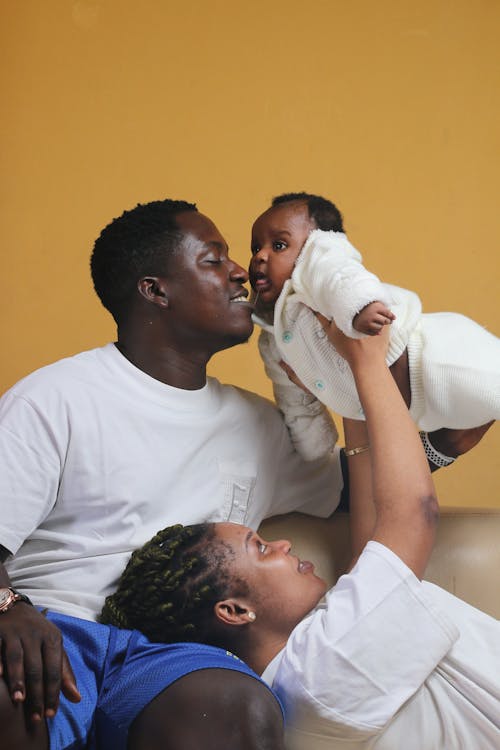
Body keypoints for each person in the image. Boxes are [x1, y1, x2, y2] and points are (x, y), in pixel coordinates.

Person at [0, 198, 488, 749]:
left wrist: (442, 444)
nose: (241, 271)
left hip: (173, 657)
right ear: (156, 290)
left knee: (236, 702)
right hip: (52, 634)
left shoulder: (257, 423)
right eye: (214, 260)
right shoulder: (55, 399)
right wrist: (8, 609)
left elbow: (360, 496)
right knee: (11, 690)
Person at [102, 320, 500, 750]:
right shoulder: (322, 674)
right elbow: (413, 516)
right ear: (234, 610)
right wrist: (366, 360)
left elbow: (371, 548)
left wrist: (343, 391)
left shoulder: (299, 670)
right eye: (261, 548)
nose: (283, 544)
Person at [249, 191, 499, 460]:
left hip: (435, 358)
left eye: (278, 246)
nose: (260, 256)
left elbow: (342, 277)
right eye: (255, 247)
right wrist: (311, 447)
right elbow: (294, 400)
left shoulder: (317, 272)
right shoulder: (272, 339)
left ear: (317, 246)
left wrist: (361, 308)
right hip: (423, 409)